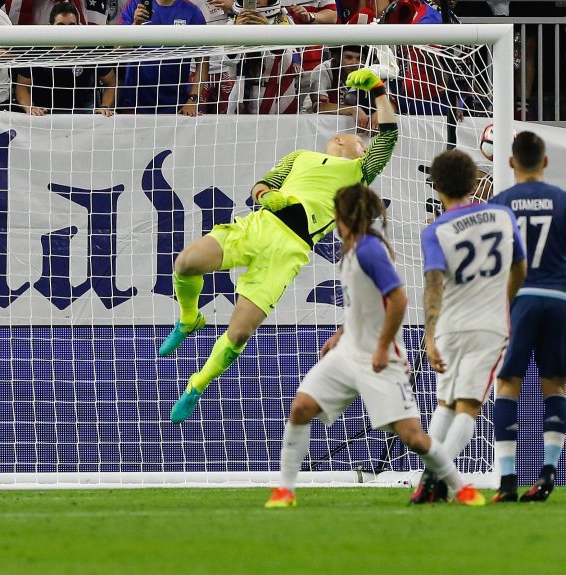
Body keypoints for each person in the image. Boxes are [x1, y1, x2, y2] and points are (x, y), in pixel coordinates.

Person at [162, 67, 398, 423]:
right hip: (260, 224)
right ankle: (189, 318)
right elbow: (262, 183)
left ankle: (196, 386)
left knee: (239, 332)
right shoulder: (300, 157)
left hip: (289, 249)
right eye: (347, 138)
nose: (351, 141)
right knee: (185, 263)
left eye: (356, 141)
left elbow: (388, 137)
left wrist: (378, 90)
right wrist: (266, 195)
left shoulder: (359, 172)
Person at [265, 184, 484, 508]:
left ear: (346, 215)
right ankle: (286, 491)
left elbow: (398, 299)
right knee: (301, 408)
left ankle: (460, 487)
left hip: (381, 359)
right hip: (348, 353)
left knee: (413, 438)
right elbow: (363, 304)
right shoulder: (351, 250)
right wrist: (340, 334)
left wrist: (382, 347)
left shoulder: (369, 250)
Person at [411, 149, 527, 504]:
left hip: (449, 325)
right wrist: (502, 301)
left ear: (437, 187)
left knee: (444, 405)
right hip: (488, 325)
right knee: (468, 407)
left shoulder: (436, 230)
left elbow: (433, 284)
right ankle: (436, 478)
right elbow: (519, 269)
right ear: (475, 182)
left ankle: (428, 481)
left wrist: (429, 334)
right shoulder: (502, 215)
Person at [489, 132, 566, 502]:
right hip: (558, 298)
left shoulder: (501, 204)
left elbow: (494, 262)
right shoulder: (563, 201)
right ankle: (549, 472)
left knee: (508, 384)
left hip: (520, 299)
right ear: (545, 162)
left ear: (510, 162)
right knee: (555, 383)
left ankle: (507, 480)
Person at [119, 0, 206, 116]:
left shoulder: (192, 12)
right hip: (135, 102)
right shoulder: (133, 7)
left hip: (176, 104)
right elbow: (119, 52)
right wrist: (135, 25)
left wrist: (193, 99)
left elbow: (203, 61)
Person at [14, 2, 117, 115]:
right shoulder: (36, 49)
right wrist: (30, 108)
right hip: (43, 111)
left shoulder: (91, 48)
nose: (67, 31)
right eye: (61, 26)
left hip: (83, 109)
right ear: (50, 27)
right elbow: (22, 86)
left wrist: (105, 107)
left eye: (72, 26)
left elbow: (111, 82)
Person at [249, 0, 337, 73]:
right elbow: (246, 15)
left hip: (311, 66)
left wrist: (311, 16)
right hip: (267, 67)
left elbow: (332, 15)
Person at [227, 0, 300, 115]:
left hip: (278, 94)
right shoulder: (233, 23)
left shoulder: (283, 21)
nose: (257, 0)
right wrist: (237, 33)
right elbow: (227, 63)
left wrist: (267, 32)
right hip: (242, 94)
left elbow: (289, 61)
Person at [178, 0, 237, 113]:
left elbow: (252, 7)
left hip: (227, 68)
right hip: (190, 70)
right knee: (192, 127)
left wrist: (231, 5)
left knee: (227, 127)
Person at [305, 45, 375, 130]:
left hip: (348, 125)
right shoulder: (324, 69)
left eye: (359, 58)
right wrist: (352, 109)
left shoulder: (369, 72)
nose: (354, 63)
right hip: (314, 125)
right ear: (338, 57)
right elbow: (319, 106)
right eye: (348, 57)